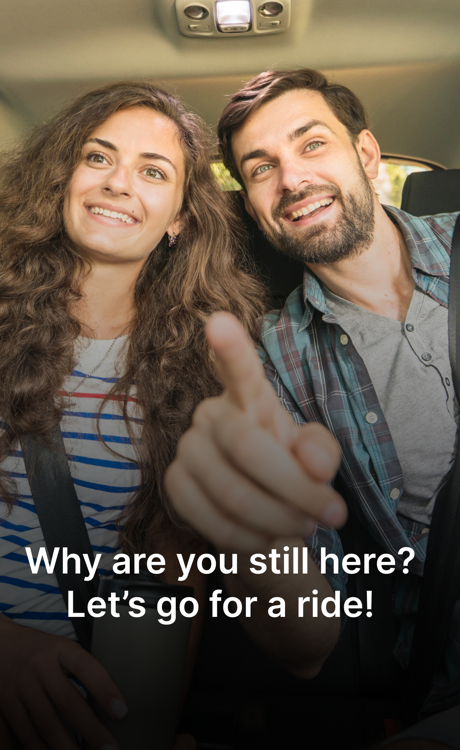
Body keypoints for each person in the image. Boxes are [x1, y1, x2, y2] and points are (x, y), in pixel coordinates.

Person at [166, 67, 460, 750]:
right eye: (260, 168)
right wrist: (254, 542)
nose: (292, 180)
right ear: (250, 204)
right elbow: (307, 647)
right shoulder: (269, 363)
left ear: (365, 154)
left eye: (311, 144)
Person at [0, 79, 266, 750]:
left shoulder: (199, 372)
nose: (118, 183)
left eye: (152, 171)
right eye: (97, 157)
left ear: (177, 218)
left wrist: (149, 721)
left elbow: (176, 585)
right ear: (61, 180)